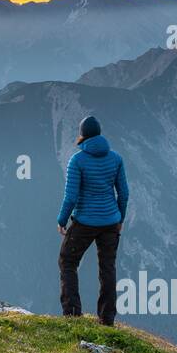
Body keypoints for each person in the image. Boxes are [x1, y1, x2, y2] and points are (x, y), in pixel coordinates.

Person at [56, 115, 129, 322]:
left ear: (82, 135)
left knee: (67, 261)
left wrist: (62, 220)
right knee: (108, 268)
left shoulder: (77, 160)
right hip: (110, 221)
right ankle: (106, 319)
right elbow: (123, 193)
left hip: (85, 222)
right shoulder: (116, 158)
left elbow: (71, 197)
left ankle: (72, 315)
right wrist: (120, 218)